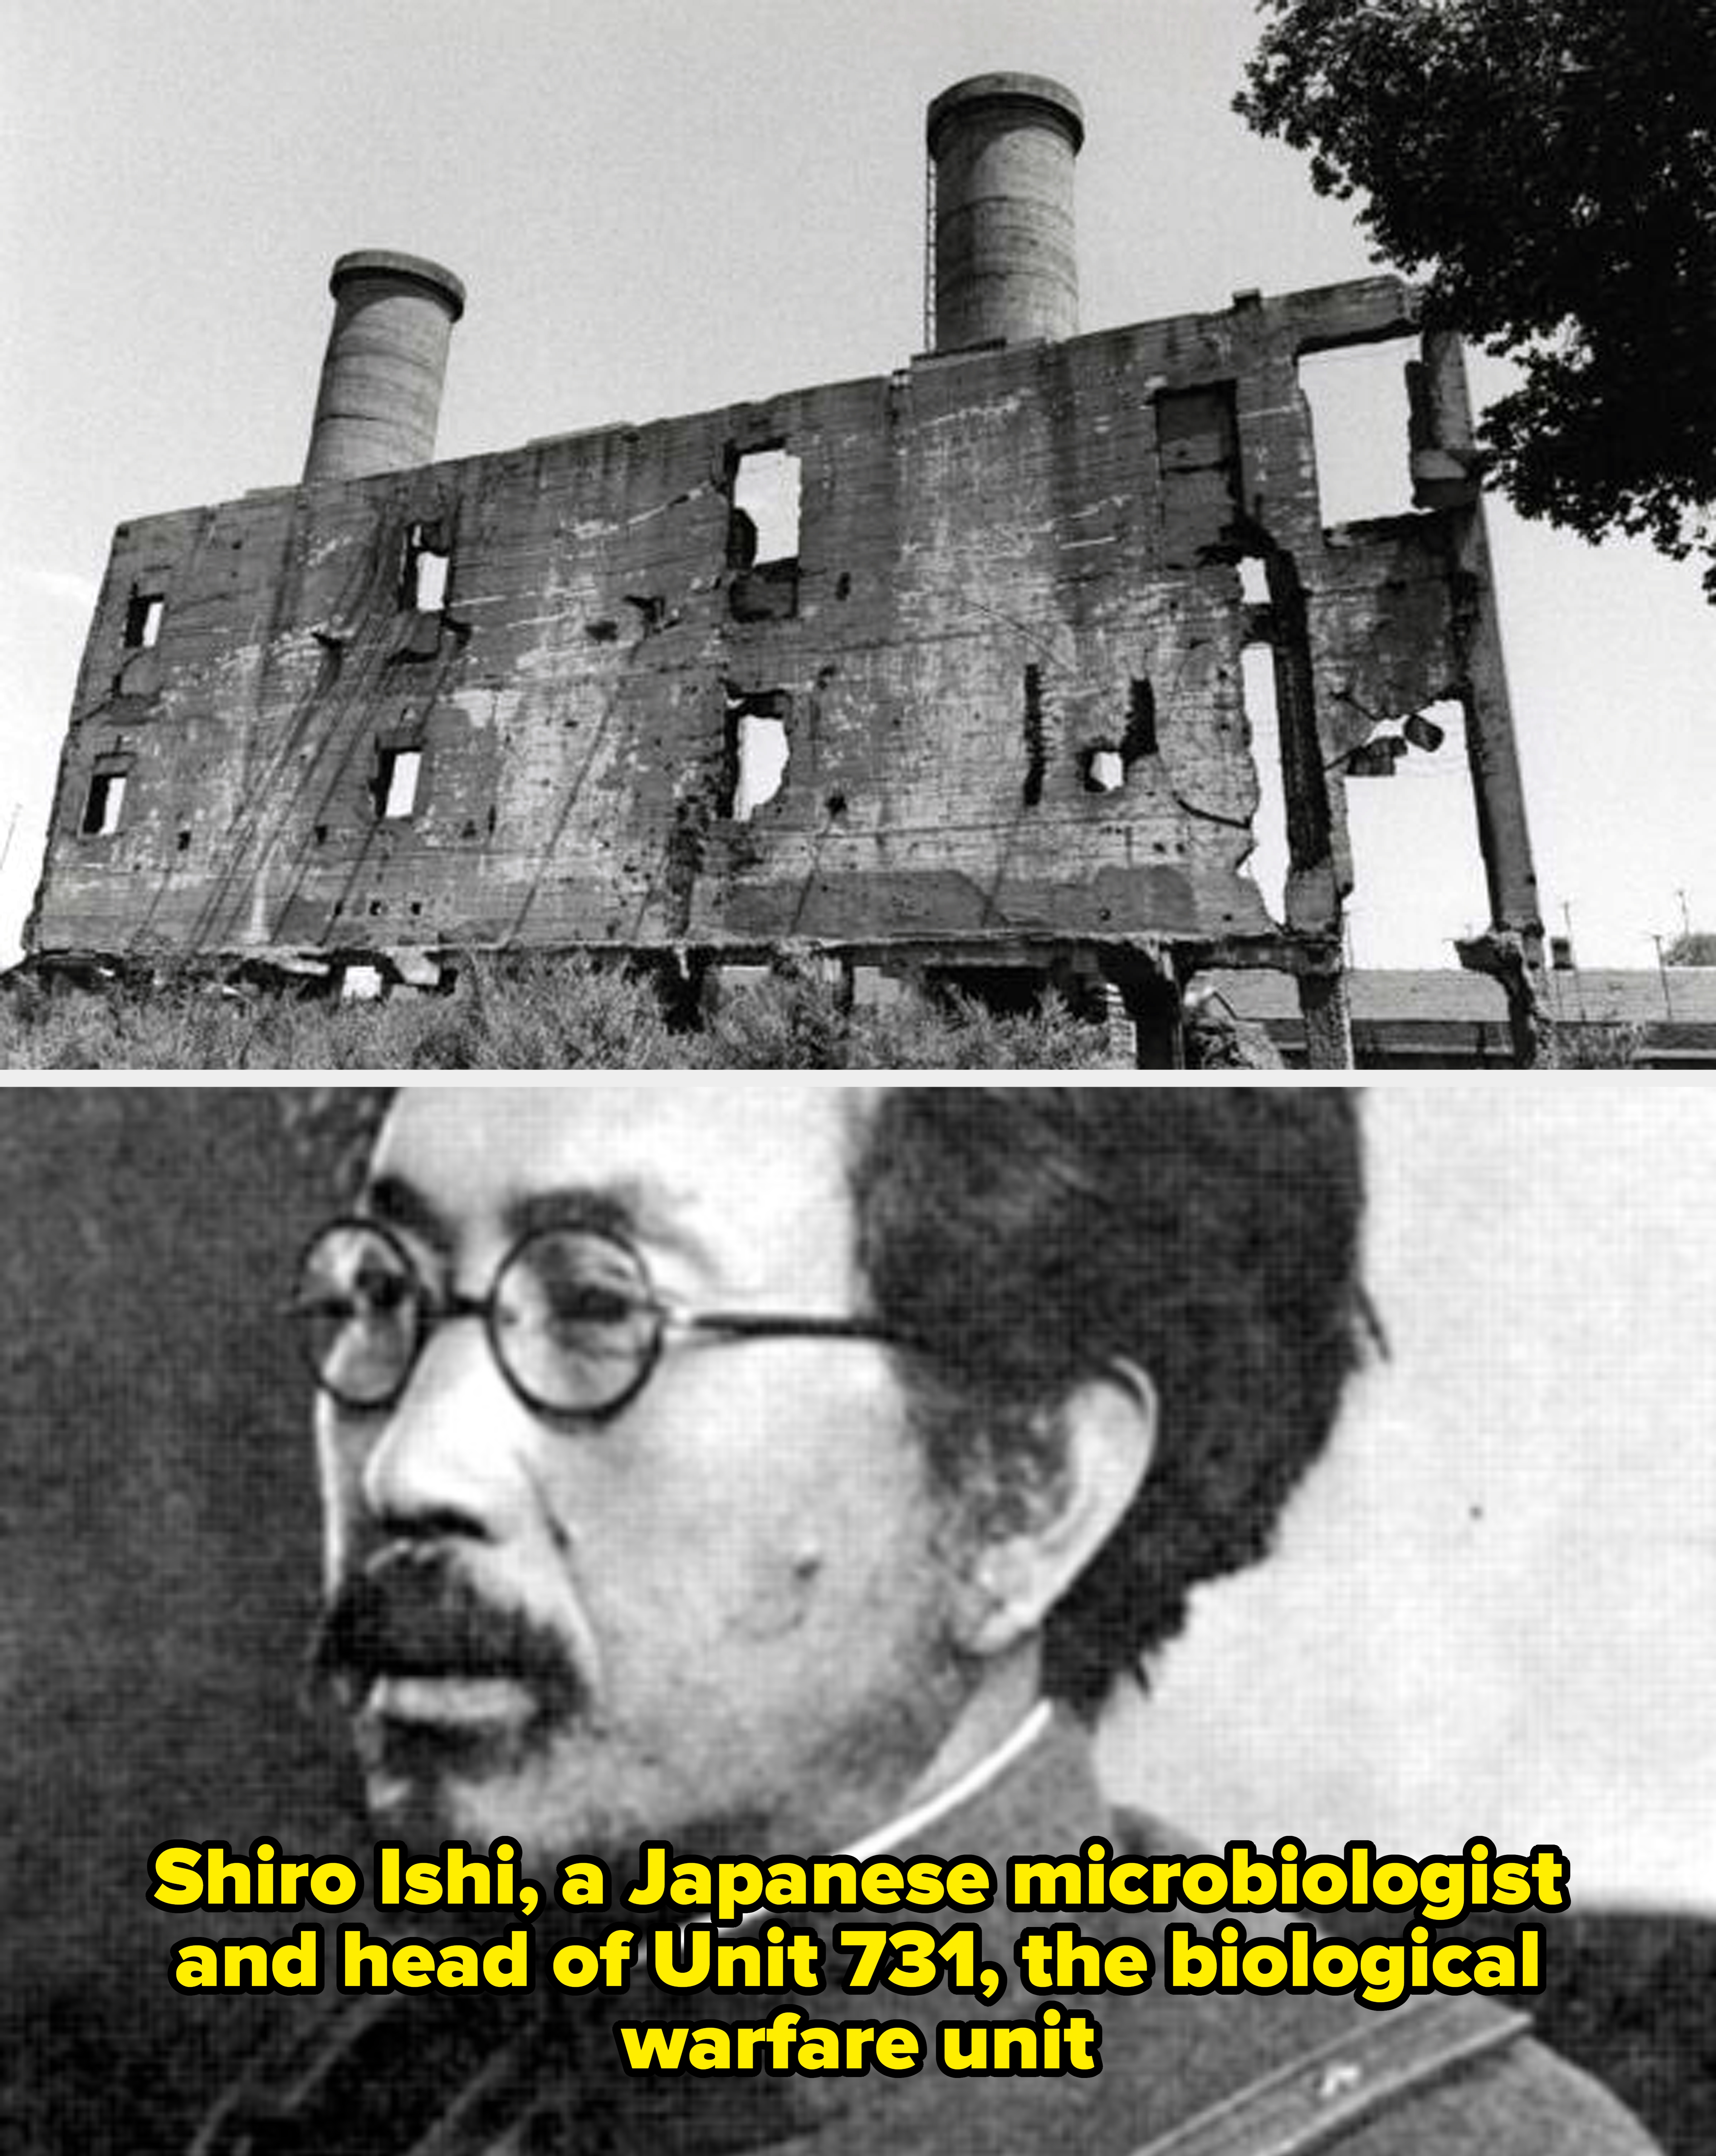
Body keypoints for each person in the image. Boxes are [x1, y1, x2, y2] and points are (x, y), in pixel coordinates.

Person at [198, 1087, 1657, 2154]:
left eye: (597, 1309)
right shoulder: (380, 2094)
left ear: (1029, 1490)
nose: (405, 1466)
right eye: (382, 1294)